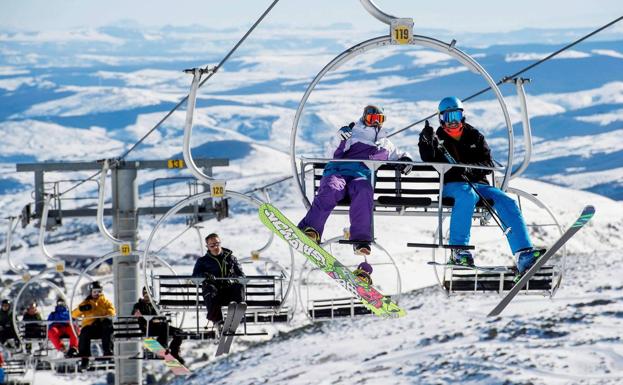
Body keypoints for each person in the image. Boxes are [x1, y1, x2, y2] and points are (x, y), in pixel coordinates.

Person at [418, 96, 544, 278]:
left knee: (505, 200)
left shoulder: (474, 135)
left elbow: (487, 161)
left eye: (456, 115)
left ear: (462, 116)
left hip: (479, 184)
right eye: (448, 117)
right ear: (440, 118)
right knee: (466, 195)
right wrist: (425, 141)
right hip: (453, 186)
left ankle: (523, 253)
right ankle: (459, 250)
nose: (452, 121)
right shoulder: (437, 139)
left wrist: (472, 169)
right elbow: (428, 158)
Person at [297, 105, 413, 283]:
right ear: (364, 118)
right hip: (338, 171)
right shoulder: (353, 132)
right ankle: (311, 229)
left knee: (364, 191)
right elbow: (332, 153)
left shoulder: (385, 144)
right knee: (332, 189)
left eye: (379, 120)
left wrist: (406, 160)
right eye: (371, 119)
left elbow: (398, 154)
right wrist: (340, 137)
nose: (375, 124)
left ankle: (361, 240)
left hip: (359, 176)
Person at [192, 233, 245, 330]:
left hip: (228, 292)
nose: (216, 247)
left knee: (239, 286)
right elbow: (195, 277)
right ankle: (218, 321)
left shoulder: (231, 258)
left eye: (217, 244)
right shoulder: (203, 261)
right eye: (212, 245)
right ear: (207, 246)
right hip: (214, 295)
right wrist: (205, 276)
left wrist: (233, 279)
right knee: (209, 288)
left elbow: (242, 276)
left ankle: (237, 313)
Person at [132, 287, 184, 364]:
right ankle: (162, 344)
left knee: (179, 332)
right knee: (164, 325)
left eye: (149, 294)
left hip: (158, 326)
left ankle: (174, 351)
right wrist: (143, 316)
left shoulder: (154, 305)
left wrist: (160, 318)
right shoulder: (138, 305)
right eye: (145, 294)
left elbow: (159, 315)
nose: (147, 296)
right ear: (143, 295)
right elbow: (135, 314)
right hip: (147, 327)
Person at [71, 281, 115, 369]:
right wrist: (81, 309)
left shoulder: (105, 302)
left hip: (101, 327)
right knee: (84, 333)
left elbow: (112, 311)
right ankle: (84, 357)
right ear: (91, 292)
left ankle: (107, 351)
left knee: (108, 326)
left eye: (99, 291)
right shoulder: (86, 302)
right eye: (95, 292)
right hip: (90, 327)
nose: (97, 294)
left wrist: (107, 314)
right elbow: (74, 314)